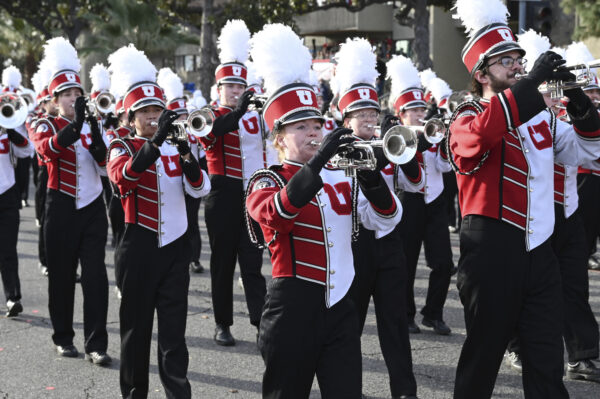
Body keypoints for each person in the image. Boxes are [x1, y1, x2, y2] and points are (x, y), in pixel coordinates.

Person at [450, 2, 600, 397]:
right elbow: (480, 137)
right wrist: (531, 84)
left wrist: (579, 101)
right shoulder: (466, 114)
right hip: (490, 253)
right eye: (505, 61)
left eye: (519, 59)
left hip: (540, 253)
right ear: (481, 73)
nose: (517, 66)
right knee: (482, 362)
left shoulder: (541, 118)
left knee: (546, 363)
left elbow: (588, 151)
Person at [246, 23, 402, 398]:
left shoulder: (341, 175)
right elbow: (276, 217)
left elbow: (386, 218)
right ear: (279, 138)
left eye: (317, 125)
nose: (314, 134)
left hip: (342, 308)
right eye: (302, 127)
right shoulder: (264, 179)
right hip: (292, 309)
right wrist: (316, 167)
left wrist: (371, 176)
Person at [106, 44, 210, 399]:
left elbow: (200, 188)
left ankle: (178, 393)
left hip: (175, 248)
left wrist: (186, 155)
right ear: (131, 118)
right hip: (138, 248)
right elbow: (123, 180)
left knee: (173, 334)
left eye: (157, 110)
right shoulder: (121, 146)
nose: (153, 117)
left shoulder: (177, 145)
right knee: (135, 331)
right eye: (145, 112)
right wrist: (156, 143)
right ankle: (135, 393)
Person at [334, 37, 421, 399]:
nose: (370, 120)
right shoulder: (333, 149)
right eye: (362, 116)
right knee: (347, 328)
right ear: (346, 119)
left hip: (388, 245)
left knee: (395, 325)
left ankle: (404, 391)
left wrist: (403, 151)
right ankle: (345, 388)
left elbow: (415, 184)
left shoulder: (389, 144)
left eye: (373, 114)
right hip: (353, 247)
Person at [31, 37, 110, 364]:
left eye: (78, 94)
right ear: (54, 99)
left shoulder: (95, 124)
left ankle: (96, 344)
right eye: (67, 95)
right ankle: (63, 337)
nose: (74, 99)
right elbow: (47, 149)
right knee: (62, 278)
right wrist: (77, 125)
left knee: (96, 278)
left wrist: (94, 136)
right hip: (60, 205)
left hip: (92, 207)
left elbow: (107, 166)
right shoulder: (43, 122)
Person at [200, 20, 266, 346]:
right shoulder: (209, 115)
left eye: (240, 87)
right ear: (219, 89)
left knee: (253, 263)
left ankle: (260, 323)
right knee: (223, 263)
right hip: (222, 192)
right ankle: (222, 323)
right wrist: (239, 111)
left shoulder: (254, 116)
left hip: (251, 194)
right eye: (230, 87)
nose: (236, 92)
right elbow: (214, 133)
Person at [387, 55, 454, 335]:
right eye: (412, 111)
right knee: (407, 262)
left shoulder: (431, 133)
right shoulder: (395, 137)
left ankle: (433, 313)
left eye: (420, 109)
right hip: (410, 201)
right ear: (401, 115)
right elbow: (398, 176)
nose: (418, 115)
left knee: (444, 263)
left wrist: (442, 142)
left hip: (435, 201)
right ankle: (406, 314)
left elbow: (445, 167)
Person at [0, 107, 30, 317]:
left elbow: (28, 150)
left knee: (8, 249)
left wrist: (9, 130)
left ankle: (13, 298)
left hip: (8, 195)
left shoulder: (6, 136)